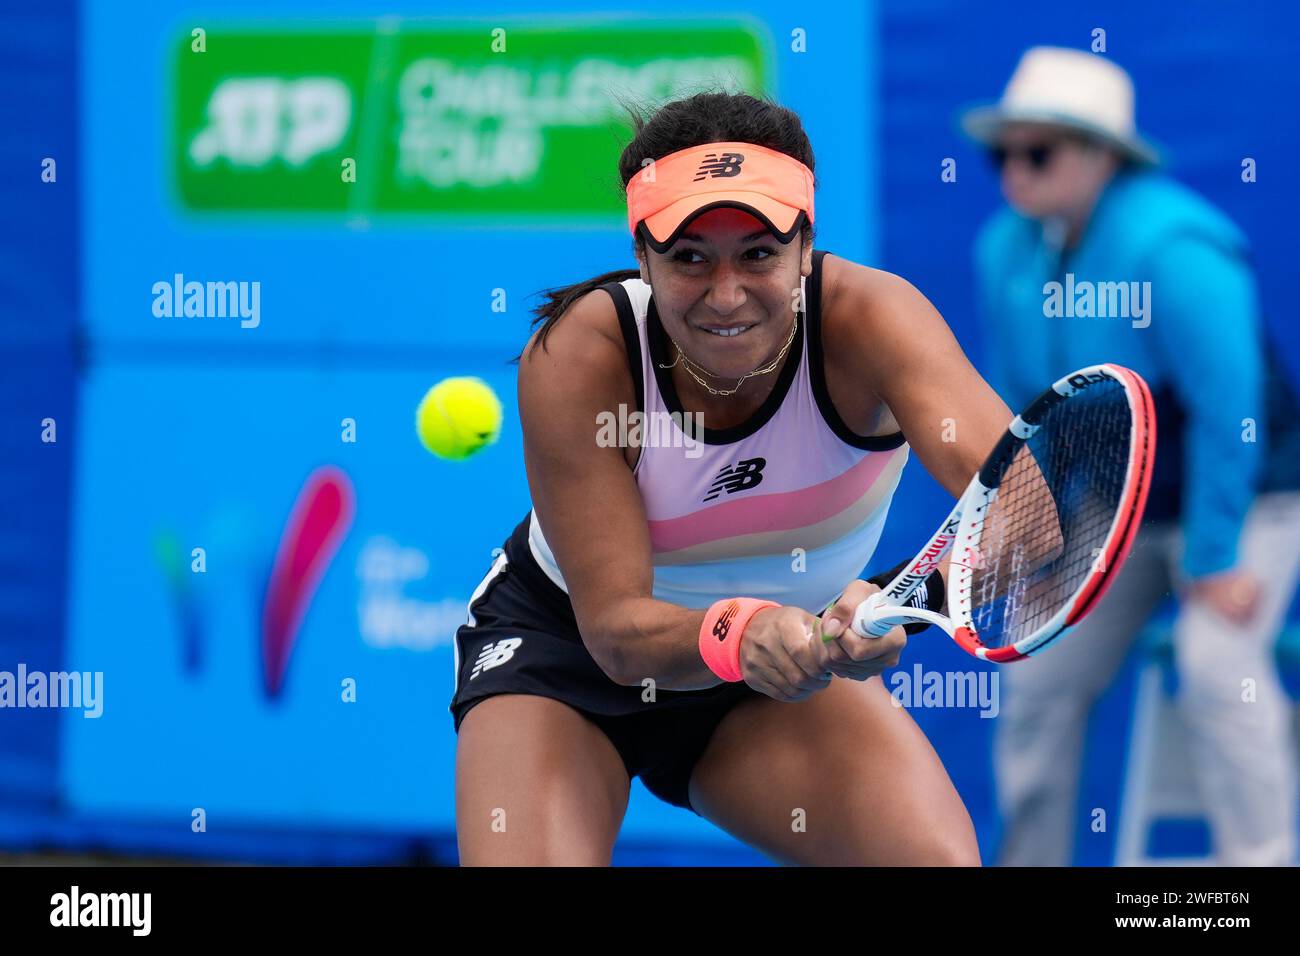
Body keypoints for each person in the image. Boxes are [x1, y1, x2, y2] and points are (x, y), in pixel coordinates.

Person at [448, 91, 1012, 866]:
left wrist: (901, 604)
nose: (725, 294)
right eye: (688, 257)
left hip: (783, 663)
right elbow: (615, 634)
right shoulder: (583, 352)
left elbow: (1026, 504)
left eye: (758, 252)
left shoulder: (875, 320)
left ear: (805, 246)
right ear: (642, 255)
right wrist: (741, 632)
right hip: (567, 656)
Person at [966, 46, 1300, 866]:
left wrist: (1215, 555)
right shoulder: (1003, 250)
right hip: (1116, 506)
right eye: (1002, 151)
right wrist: (1044, 543)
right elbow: (1031, 416)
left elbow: (1234, 417)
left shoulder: (1178, 248)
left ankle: (1260, 868)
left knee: (1218, 667)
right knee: (1036, 671)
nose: (1015, 168)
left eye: (1038, 151)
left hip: (1250, 499)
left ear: (1101, 156)